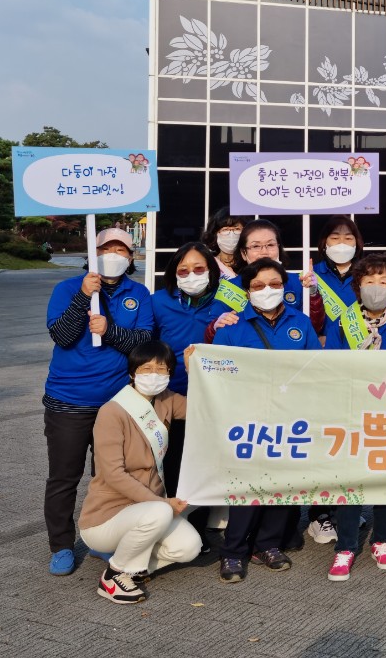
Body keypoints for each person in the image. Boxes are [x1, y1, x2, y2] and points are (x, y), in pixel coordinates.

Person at [42, 227, 153, 576]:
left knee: (109, 475)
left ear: (131, 256)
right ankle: (60, 545)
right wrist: (82, 297)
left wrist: (110, 331)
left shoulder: (139, 293)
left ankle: (102, 539)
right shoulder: (66, 289)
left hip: (118, 403)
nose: (114, 254)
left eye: (122, 249)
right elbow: (61, 335)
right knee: (64, 477)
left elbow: (143, 342)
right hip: (68, 400)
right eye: (106, 248)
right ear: (93, 253)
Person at [210, 257, 319, 582]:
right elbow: (217, 373)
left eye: (274, 283)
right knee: (247, 487)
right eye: (257, 286)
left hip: (291, 420)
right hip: (248, 421)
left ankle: (267, 545)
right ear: (246, 291)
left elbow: (317, 368)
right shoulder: (232, 327)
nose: (267, 290)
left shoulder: (301, 322)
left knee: (282, 485)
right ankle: (233, 552)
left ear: (285, 286)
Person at [78, 340, 201, 604]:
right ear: (133, 372)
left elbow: (204, 410)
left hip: (147, 512)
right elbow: (113, 474)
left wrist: (195, 372)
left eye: (161, 369)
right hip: (106, 517)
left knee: (189, 547)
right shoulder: (112, 411)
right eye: (146, 369)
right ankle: (113, 576)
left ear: (170, 373)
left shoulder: (167, 400)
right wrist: (163, 503)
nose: (153, 376)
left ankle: (130, 567)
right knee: (160, 511)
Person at [321, 255, 386, 581]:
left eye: (383, 281)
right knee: (351, 478)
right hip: (352, 411)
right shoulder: (344, 320)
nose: (376, 287)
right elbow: (330, 365)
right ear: (357, 286)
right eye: (369, 280)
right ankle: (346, 545)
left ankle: (382, 540)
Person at [149, 243, 220, 503]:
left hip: (212, 396)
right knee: (172, 458)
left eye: (199, 268)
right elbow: (147, 344)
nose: (192, 275)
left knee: (205, 460)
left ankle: (200, 520)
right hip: (170, 396)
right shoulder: (158, 301)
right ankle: (173, 513)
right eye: (184, 270)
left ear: (211, 271)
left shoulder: (225, 303)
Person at [236, 219, 326, 331]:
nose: (264, 252)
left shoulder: (299, 282)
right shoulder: (231, 287)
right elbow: (215, 333)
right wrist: (219, 323)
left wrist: (313, 293)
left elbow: (314, 327)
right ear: (244, 253)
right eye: (256, 246)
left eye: (270, 244)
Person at [311, 214, 365, 331]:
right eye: (335, 238)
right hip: (322, 346)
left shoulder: (367, 275)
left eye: (348, 238)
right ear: (325, 242)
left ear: (357, 244)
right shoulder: (311, 275)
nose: (342, 244)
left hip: (360, 346)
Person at [203, 207, 244, 279]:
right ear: (215, 234)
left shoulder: (249, 263)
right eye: (225, 230)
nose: (231, 234)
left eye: (237, 229)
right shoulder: (209, 264)